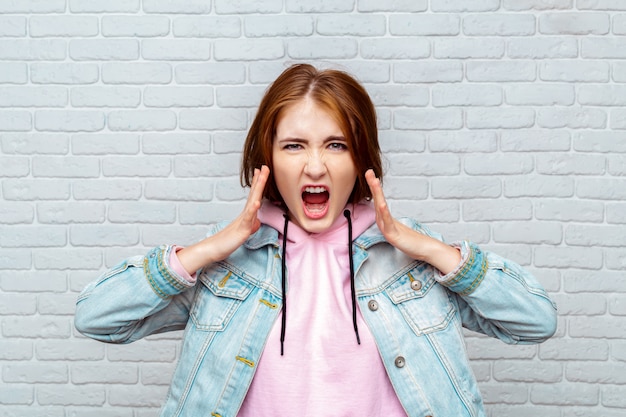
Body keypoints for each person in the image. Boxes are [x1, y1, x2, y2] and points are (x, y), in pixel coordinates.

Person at [75, 63, 557, 417]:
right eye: (294, 145)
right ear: (267, 158)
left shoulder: (412, 260)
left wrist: (433, 250)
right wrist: (206, 251)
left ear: (361, 156)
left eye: (336, 144)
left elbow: (535, 321)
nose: (314, 166)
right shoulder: (228, 265)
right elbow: (97, 318)